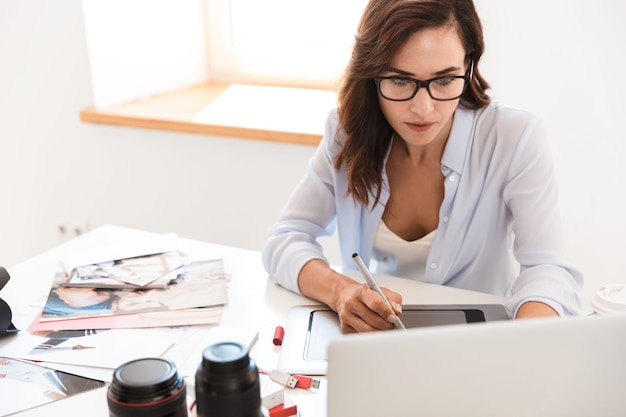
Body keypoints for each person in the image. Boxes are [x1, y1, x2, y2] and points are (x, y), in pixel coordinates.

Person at [261, 0, 583, 333]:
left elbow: (549, 269)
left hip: (475, 343)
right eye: (400, 81)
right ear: (371, 73)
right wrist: (342, 292)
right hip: (374, 341)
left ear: (468, 64)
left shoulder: (514, 137)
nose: (423, 109)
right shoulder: (346, 132)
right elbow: (285, 239)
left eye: (444, 80)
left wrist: (523, 345)